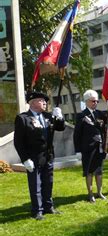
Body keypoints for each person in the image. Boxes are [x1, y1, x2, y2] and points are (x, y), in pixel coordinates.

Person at [13, 91, 65, 220]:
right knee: (35, 184)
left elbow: (60, 127)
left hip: (48, 155)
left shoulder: (48, 116)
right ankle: (37, 210)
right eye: (41, 100)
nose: (45, 103)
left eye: (45, 101)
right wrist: (25, 159)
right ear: (33, 102)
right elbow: (18, 142)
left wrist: (60, 117)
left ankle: (48, 207)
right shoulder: (23, 118)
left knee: (48, 182)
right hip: (33, 157)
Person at [74, 90, 108, 203]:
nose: (95, 103)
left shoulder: (99, 114)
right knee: (89, 172)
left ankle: (99, 192)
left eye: (96, 101)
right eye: (93, 101)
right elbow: (77, 134)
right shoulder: (81, 116)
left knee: (99, 171)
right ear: (86, 101)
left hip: (99, 147)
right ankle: (90, 193)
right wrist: (77, 150)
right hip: (87, 148)